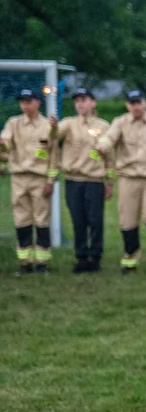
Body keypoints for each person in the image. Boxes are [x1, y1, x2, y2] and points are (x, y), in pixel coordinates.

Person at [96, 90, 146, 274]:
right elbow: (110, 136)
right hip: (128, 177)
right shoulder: (120, 122)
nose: (135, 106)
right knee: (127, 220)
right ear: (127, 105)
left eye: (138, 102)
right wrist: (103, 144)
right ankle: (130, 260)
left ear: (145, 103)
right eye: (132, 103)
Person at [51, 87, 112, 273]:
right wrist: (52, 127)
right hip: (73, 179)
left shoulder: (103, 126)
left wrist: (109, 181)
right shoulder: (68, 124)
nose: (80, 104)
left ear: (93, 103)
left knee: (95, 220)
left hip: (94, 180)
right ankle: (81, 257)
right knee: (78, 220)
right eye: (77, 101)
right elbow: (53, 137)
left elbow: (111, 157)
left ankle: (95, 257)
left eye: (84, 100)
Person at [1, 89, 57, 275]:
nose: (25, 105)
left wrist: (50, 180)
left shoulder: (47, 125)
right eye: (22, 102)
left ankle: (42, 263)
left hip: (39, 178)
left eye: (29, 101)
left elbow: (53, 154)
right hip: (18, 177)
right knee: (21, 219)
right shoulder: (13, 123)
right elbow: (6, 143)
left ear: (37, 103)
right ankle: (24, 262)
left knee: (41, 219)